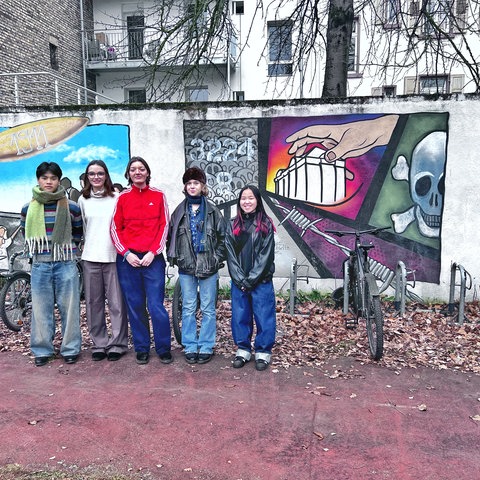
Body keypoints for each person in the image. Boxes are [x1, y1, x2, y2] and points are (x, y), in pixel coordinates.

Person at [20, 161, 83, 367]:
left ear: (59, 180)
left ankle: (70, 349)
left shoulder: (71, 206)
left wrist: (63, 249)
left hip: (65, 263)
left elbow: (77, 233)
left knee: (70, 308)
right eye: (44, 178)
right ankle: (42, 350)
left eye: (53, 178)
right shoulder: (28, 208)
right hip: (40, 264)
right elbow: (25, 233)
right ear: (38, 180)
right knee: (40, 309)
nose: (49, 182)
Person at [110, 156, 172, 365]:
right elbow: (115, 228)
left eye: (141, 169)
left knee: (156, 305)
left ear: (147, 172)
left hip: (152, 259)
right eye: (133, 169)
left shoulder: (159, 195)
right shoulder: (122, 197)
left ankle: (163, 348)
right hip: (128, 261)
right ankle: (142, 348)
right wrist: (126, 253)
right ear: (128, 174)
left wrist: (153, 252)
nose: (137, 172)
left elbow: (164, 226)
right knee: (135, 305)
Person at [167, 167, 226, 364]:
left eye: (196, 183)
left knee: (209, 308)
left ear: (203, 186)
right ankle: (190, 345)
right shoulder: (179, 211)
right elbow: (170, 238)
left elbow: (222, 238)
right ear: (185, 186)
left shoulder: (213, 211)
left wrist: (216, 259)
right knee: (189, 307)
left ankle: (207, 345)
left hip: (209, 267)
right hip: (187, 267)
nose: (192, 186)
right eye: (189, 183)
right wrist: (177, 258)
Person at [78, 160, 128, 362]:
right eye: (92, 174)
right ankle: (99, 343)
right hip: (90, 257)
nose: (96, 177)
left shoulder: (117, 198)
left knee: (117, 303)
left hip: (114, 257)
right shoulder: (83, 200)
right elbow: (83, 227)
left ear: (106, 175)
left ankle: (117, 343)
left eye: (100, 173)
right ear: (87, 177)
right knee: (93, 303)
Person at [225, 185, 277, 371]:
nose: (246, 201)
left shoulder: (266, 224)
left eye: (251, 198)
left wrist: (251, 279)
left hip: (260, 280)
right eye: (243, 198)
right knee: (240, 316)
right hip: (239, 282)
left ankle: (263, 352)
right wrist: (240, 279)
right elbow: (230, 254)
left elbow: (266, 255)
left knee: (264, 315)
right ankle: (243, 349)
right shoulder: (232, 224)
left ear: (257, 201)